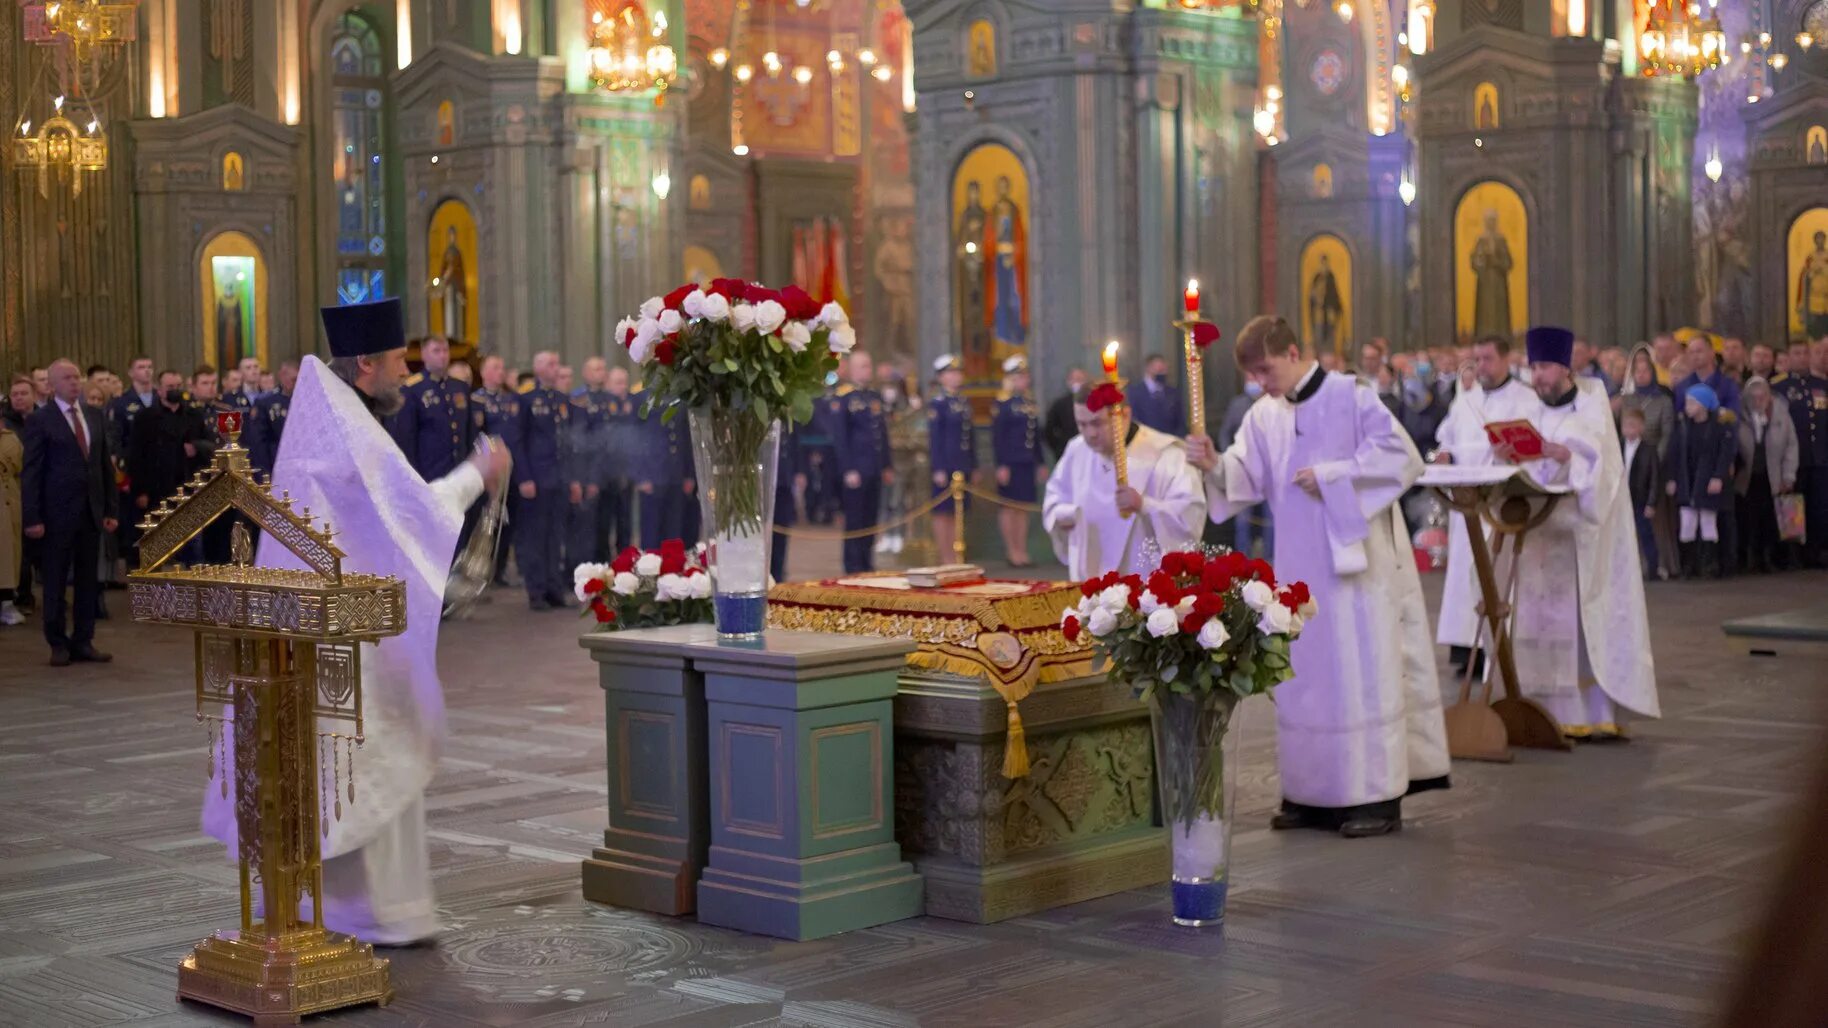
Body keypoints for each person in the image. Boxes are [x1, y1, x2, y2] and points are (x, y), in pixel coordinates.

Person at [204, 296, 509, 947]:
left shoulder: (330, 418)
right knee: (368, 752)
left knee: (334, 760)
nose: (405, 371)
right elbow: (414, 514)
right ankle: (371, 912)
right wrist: (478, 474)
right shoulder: (349, 431)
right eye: (399, 360)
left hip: (330, 625)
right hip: (343, 635)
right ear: (367, 363)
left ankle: (340, 907)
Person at [1185, 315, 1447, 838]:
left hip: (1358, 570)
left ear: (1292, 351)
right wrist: (1213, 462)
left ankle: (1375, 798)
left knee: (1359, 676)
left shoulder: (1352, 397)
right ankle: (1311, 796)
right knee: (1305, 679)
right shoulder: (1264, 415)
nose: (1262, 382)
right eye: (1254, 375)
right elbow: (1243, 477)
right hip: (1299, 571)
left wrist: (1333, 476)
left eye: (1266, 369)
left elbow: (1403, 459)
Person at [1504, 326, 1659, 740]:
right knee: (1538, 622)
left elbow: (1606, 473)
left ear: (1566, 366)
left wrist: (1568, 455)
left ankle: (1590, 713)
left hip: (1578, 540)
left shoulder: (1591, 406)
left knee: (1579, 622)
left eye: (1546, 367)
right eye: (1533, 367)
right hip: (1536, 535)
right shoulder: (1525, 406)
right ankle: (1540, 708)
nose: (1538, 376)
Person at [1429, 335, 1538, 670]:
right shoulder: (1466, 399)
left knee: (1496, 573)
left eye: (1488, 359)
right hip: (1467, 499)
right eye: (1477, 360)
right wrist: (1444, 452)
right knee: (1464, 574)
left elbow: (1533, 440)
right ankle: (1467, 649)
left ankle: (1497, 650)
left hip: (1502, 502)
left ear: (1506, 359)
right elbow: (1446, 434)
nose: (1481, 367)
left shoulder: (1526, 399)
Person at [1044, 381, 1203, 579]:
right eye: (1082, 425)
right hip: (1090, 581)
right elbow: (1054, 498)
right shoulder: (1076, 450)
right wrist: (1064, 515)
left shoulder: (1166, 455)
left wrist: (1144, 505)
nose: (1090, 434)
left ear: (1124, 415)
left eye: (1097, 423)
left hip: (1145, 582)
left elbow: (1190, 515)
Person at [19, 359, 118, 666]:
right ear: (51, 384)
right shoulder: (41, 420)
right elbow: (32, 472)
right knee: (56, 581)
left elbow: (104, 467)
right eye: (68, 378)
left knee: (89, 580)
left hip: (90, 512)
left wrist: (110, 508)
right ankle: (57, 642)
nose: (75, 382)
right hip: (55, 515)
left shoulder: (94, 415)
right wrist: (32, 517)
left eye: (77, 377)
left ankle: (84, 640)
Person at [515, 351, 579, 610]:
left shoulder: (563, 400)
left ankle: (554, 588)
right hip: (537, 479)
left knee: (556, 536)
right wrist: (525, 477)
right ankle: (537, 590)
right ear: (538, 368)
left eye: (557, 363)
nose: (556, 368)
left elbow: (569, 443)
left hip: (560, 477)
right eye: (550, 364)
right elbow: (518, 442)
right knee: (536, 536)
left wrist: (574, 479)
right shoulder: (526, 400)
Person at [127, 369, 210, 562]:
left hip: (189, 486)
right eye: (170, 387)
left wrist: (196, 447)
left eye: (178, 386)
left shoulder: (194, 414)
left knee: (192, 545)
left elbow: (209, 443)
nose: (175, 390)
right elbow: (137, 456)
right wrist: (140, 491)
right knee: (156, 543)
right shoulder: (145, 417)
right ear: (160, 390)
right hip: (157, 488)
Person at [1667, 383, 1736, 577]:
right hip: (1687, 482)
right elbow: (1674, 454)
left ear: (1704, 405)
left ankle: (1709, 564)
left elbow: (1725, 454)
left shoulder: (1719, 427)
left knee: (1708, 521)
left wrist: (1718, 476)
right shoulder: (1682, 427)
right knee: (1687, 522)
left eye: (1692, 402)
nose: (1687, 406)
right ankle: (1688, 565)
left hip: (1707, 481)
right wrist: (1673, 478)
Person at [833, 351, 893, 573]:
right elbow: (840, 438)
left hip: (874, 468)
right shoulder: (844, 398)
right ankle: (852, 566)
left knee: (871, 520)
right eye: (862, 366)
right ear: (852, 369)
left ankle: (867, 564)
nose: (867, 370)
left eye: (869, 366)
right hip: (856, 470)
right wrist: (848, 469)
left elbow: (882, 434)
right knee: (855, 521)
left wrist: (887, 464)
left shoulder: (874, 397)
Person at [1735, 377, 1798, 574]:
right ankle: (1749, 559)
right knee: (1748, 520)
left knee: (1772, 521)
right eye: (1753, 397)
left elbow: (1791, 446)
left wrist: (1788, 476)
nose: (1758, 400)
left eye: (1762, 396)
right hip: (1746, 478)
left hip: (1773, 477)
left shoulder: (1781, 413)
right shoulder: (1739, 415)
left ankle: (1771, 559)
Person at [470, 355, 522, 588]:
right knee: (488, 519)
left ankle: (500, 569)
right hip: (490, 470)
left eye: (502, 367)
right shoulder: (476, 400)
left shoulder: (511, 399)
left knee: (508, 520)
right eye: (495, 367)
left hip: (513, 468)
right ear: (484, 373)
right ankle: (484, 569)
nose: (500, 372)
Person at [992, 355, 1044, 568]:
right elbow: (998, 436)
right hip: (1010, 462)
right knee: (1009, 506)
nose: (1024, 380)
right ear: (1010, 378)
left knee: (1023, 507)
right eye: (1019, 376)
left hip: (1027, 461)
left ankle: (1021, 550)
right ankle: (1011, 550)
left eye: (1025, 376)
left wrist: (1040, 462)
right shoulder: (1003, 404)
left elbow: (1035, 435)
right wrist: (1001, 464)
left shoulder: (1029, 402)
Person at [635, 387, 697, 550]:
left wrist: (689, 474)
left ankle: (672, 571)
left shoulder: (679, 398)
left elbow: (685, 437)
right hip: (652, 476)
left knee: (674, 531)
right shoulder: (643, 398)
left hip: (676, 474)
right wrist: (641, 476)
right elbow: (636, 439)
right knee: (651, 532)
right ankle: (649, 572)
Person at [927, 355, 976, 561]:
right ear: (941, 377)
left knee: (959, 511)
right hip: (945, 465)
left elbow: (969, 436)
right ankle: (946, 556)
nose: (956, 376)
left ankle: (957, 555)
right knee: (943, 512)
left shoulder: (963, 402)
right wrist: (938, 467)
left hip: (962, 463)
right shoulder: (938, 404)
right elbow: (935, 439)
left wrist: (974, 465)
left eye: (958, 372)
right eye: (951, 373)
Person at [1217, 378, 1272, 557]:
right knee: (1242, 521)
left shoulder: (1273, 403)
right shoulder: (1238, 405)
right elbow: (1225, 432)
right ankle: (1243, 561)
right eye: (1250, 378)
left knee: (1271, 519)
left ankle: (1271, 560)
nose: (1254, 382)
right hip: (1243, 470)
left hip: (1270, 472)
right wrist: (1229, 457)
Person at [567, 357, 612, 566]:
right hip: (588, 470)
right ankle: (582, 569)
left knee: (606, 524)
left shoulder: (609, 398)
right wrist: (587, 478)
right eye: (595, 369)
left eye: (603, 368)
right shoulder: (579, 398)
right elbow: (580, 442)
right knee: (585, 527)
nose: (601, 372)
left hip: (610, 471)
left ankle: (604, 565)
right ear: (585, 373)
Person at [599, 366, 637, 556]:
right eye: (618, 382)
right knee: (604, 519)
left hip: (627, 470)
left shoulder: (633, 403)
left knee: (625, 518)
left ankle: (625, 555)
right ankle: (604, 557)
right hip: (605, 471)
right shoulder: (602, 403)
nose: (623, 387)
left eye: (625, 382)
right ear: (608, 384)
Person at [1620, 407, 1660, 579]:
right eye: (1626, 426)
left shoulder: (1649, 449)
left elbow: (1655, 479)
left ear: (1641, 428)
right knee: (1622, 537)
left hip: (1640, 499)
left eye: (1633, 426)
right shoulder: (1617, 447)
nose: (1629, 429)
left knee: (1645, 534)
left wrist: (1652, 502)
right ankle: (1623, 572)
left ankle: (1652, 569)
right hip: (1621, 499)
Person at [244, 360, 298, 480]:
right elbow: (258, 442)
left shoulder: (307, 402)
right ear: (282, 376)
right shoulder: (266, 403)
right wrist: (264, 474)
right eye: (294, 379)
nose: (297, 383)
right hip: (275, 464)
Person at [1674, 334, 1741, 416]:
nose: (1695, 356)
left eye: (1699, 351)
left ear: (1712, 353)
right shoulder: (1682, 387)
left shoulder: (1728, 386)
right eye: (1691, 352)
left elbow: (1733, 417)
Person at [0, 403, 21, 627]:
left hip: (5, 503)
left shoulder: (9, 439)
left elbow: (11, 463)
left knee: (6, 555)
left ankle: (6, 602)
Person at [1043, 365, 1089, 462]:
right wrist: (1059, 448)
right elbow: (1048, 431)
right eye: (1075, 379)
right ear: (1069, 382)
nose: (1078, 382)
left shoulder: (1093, 402)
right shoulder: (1060, 404)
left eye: (1081, 379)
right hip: (1067, 454)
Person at [1129, 353, 1184, 435]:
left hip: (1170, 442)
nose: (1163, 374)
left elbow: (1180, 422)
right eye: (1160, 370)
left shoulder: (1173, 393)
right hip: (1145, 442)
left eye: (1165, 370)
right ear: (1148, 368)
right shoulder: (1134, 393)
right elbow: (1134, 421)